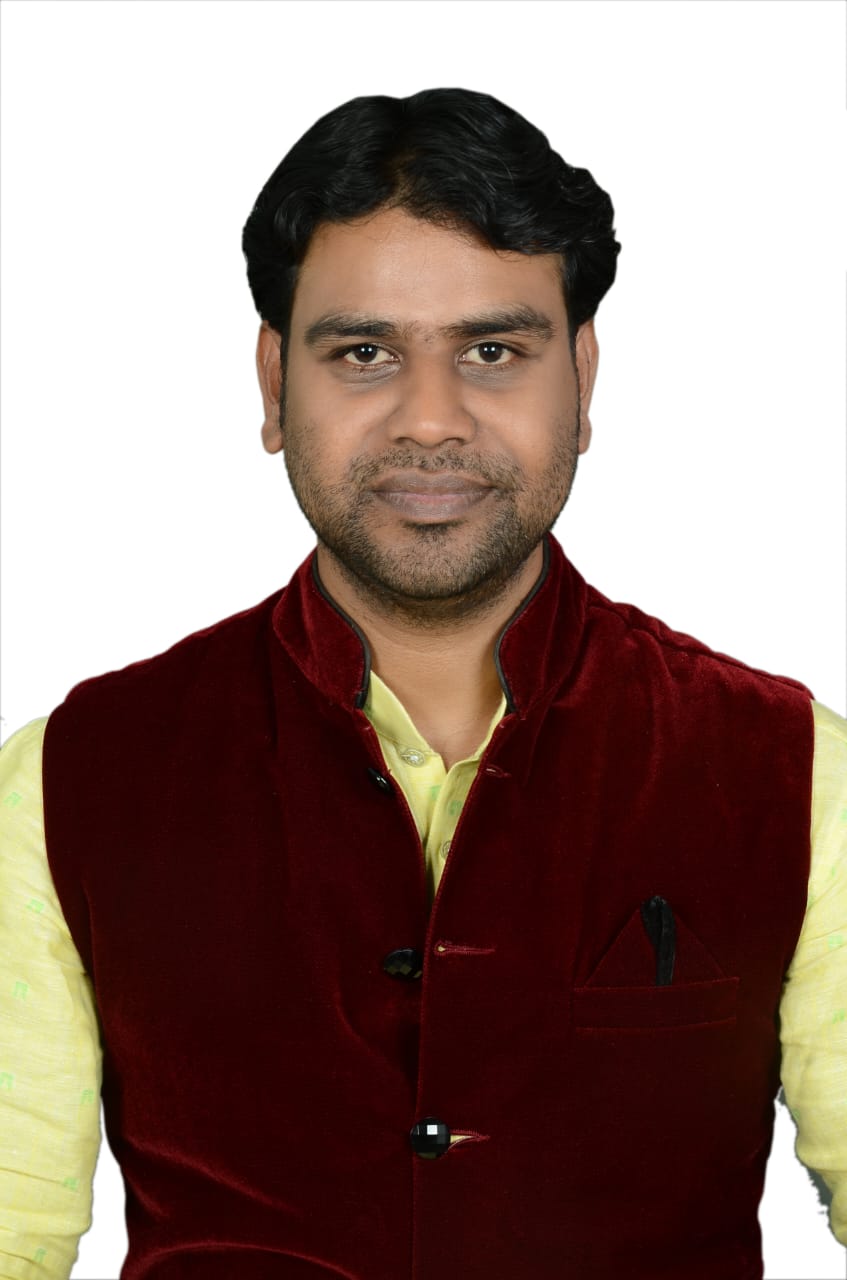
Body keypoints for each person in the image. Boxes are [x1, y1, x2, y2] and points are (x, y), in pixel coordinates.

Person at [0, 87, 844, 1280]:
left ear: (581, 377)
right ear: (272, 383)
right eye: (364, 353)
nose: (431, 421)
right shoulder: (70, 777)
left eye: (492, 351)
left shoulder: (793, 771)